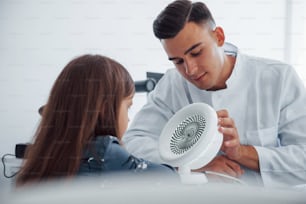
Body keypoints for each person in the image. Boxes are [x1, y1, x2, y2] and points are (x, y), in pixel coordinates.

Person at [123, 0, 306, 187]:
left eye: (196, 53)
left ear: (219, 36)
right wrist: (195, 163)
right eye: (178, 61)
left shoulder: (278, 78)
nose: (190, 70)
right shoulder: (172, 84)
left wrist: (242, 152)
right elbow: (133, 143)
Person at [16, 54, 176, 186]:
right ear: (105, 109)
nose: (128, 118)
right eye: (128, 107)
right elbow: (168, 178)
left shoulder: (45, 153)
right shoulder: (105, 151)